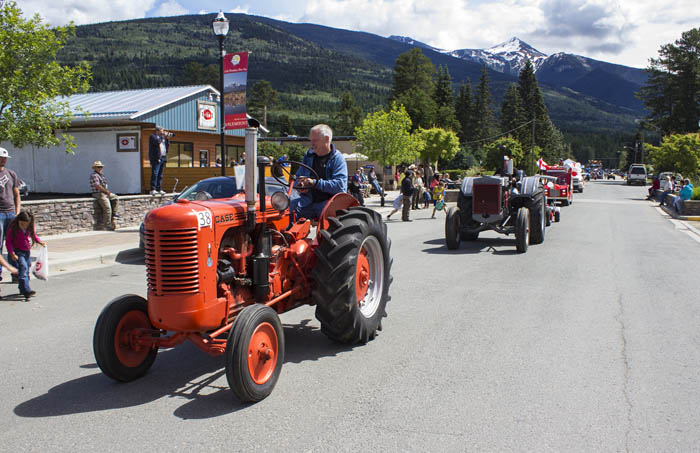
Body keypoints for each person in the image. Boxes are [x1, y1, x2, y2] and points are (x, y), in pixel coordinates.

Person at [290, 124, 348, 220]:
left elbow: (340, 186)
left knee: (329, 224)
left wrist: (314, 182)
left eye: (315, 140)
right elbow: (298, 177)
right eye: (311, 140)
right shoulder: (308, 156)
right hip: (308, 200)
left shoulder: (337, 159)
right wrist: (301, 185)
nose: (311, 144)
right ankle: (284, 234)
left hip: (329, 202)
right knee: (286, 208)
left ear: (326, 139)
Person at [6, 211, 45, 300]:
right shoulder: (13, 228)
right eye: (22, 224)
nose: (24, 226)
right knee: (23, 267)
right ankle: (26, 290)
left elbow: (33, 235)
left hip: (26, 251)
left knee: (26, 269)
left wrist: (39, 241)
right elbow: (8, 242)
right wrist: (12, 253)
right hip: (17, 252)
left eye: (26, 224)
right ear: (18, 221)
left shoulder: (29, 227)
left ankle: (22, 288)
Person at [0, 147, 21, 281]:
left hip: (11, 212)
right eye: (1, 158)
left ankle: (15, 273)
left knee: (12, 243)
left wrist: (17, 211)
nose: (3, 160)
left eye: (5, 158)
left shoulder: (11, 174)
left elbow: (16, 194)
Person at [89, 161, 119, 230]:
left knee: (115, 198)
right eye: (98, 167)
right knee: (107, 208)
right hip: (98, 193)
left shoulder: (101, 175)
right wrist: (106, 191)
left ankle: (113, 215)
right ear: (95, 168)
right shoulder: (94, 175)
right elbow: (97, 186)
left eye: (101, 167)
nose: (100, 168)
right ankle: (107, 225)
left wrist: (106, 192)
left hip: (104, 192)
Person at [148, 125, 169, 195]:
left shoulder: (162, 138)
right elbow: (157, 142)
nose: (162, 132)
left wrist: (167, 138)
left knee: (160, 174)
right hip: (156, 158)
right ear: (157, 131)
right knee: (155, 173)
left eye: (163, 131)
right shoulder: (153, 136)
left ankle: (159, 188)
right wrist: (163, 137)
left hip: (163, 157)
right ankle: (152, 189)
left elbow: (167, 145)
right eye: (161, 131)